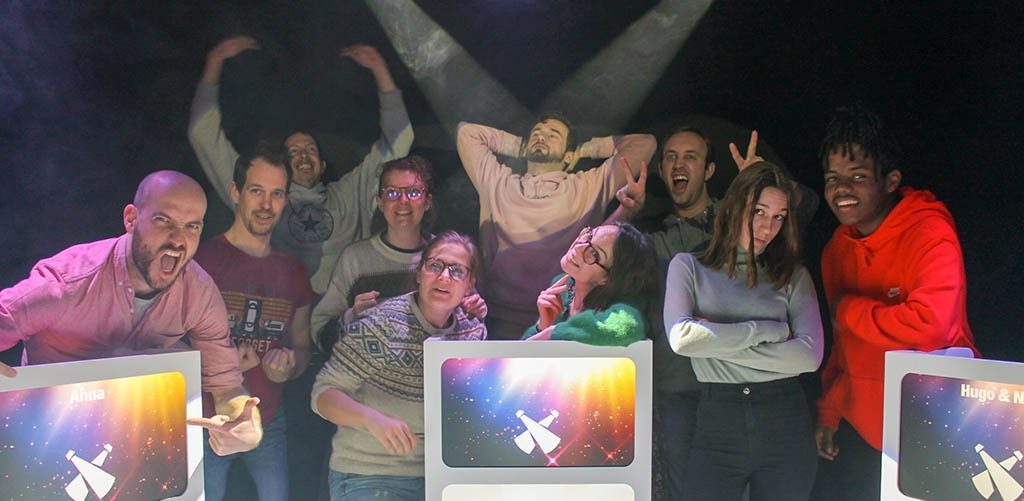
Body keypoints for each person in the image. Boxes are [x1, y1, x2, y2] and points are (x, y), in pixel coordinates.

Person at [0, 170, 261, 456]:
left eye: (192, 226)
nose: (178, 240)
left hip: (133, 445)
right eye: (163, 220)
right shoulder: (67, 282)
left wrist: (246, 428)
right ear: (131, 219)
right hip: (45, 440)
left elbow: (227, 389)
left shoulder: (199, 294)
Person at [812, 104, 978, 500]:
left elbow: (931, 325)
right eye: (833, 178)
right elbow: (842, 344)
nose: (842, 189)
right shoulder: (837, 248)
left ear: (891, 181)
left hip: (935, 429)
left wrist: (849, 310)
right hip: (864, 432)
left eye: (858, 177)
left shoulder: (929, 230)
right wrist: (830, 410)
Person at [189, 36, 414, 294]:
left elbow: (400, 139)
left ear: (322, 165)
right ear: (282, 166)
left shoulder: (351, 193)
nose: (303, 156)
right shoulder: (263, 196)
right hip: (279, 307)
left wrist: (380, 69)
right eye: (293, 152)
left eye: (310, 150)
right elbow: (203, 135)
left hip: (342, 309)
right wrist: (214, 62)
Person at [663, 162, 824, 500]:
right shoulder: (688, 266)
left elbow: (809, 358)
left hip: (784, 421)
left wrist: (715, 344)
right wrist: (767, 330)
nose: (768, 227)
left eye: (779, 217)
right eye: (759, 212)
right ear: (734, 206)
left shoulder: (793, 275)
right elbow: (682, 339)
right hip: (718, 421)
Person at [311, 232, 487, 500]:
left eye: (457, 270)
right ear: (419, 273)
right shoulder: (382, 324)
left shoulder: (472, 331)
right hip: (373, 473)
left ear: (470, 283)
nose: (444, 277)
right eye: (435, 265)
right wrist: (372, 419)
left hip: (442, 477)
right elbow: (323, 395)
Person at [456, 116, 656, 339]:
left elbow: (644, 144)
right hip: (495, 317)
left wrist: (583, 150)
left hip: (559, 316)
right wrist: (522, 146)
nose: (541, 137)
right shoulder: (497, 181)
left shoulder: (587, 186)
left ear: (569, 156)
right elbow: (467, 133)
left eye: (553, 135)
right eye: (536, 133)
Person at [193, 144, 313, 500]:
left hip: (268, 418)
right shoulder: (201, 260)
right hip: (206, 420)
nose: (266, 204)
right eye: (256, 191)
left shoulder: (293, 271)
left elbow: (303, 346)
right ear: (236, 192)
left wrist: (288, 369)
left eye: (276, 194)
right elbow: (169, 344)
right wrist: (222, 365)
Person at [311, 156, 489, 351]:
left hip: (434, 368)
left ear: (427, 201)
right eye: (392, 193)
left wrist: (476, 311)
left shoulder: (451, 255)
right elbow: (320, 332)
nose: (403, 201)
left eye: (413, 192)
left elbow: (472, 326)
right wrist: (350, 317)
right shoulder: (355, 260)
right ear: (380, 202)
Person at [522, 222, 658, 346]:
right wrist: (542, 326)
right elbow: (520, 353)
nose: (579, 247)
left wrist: (554, 332)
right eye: (589, 235)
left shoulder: (626, 303)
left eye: (594, 253)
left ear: (607, 278)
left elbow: (628, 328)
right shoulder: (563, 286)